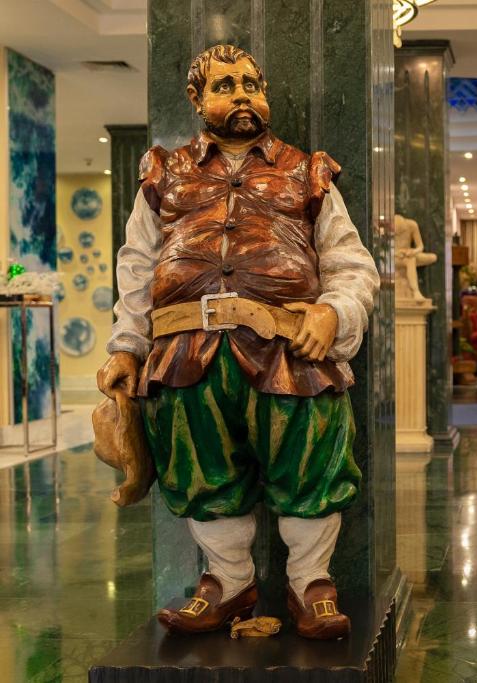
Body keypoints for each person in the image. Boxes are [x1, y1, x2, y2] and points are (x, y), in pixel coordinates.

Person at [96, 44, 380, 640]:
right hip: (184, 356)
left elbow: (351, 262)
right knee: (200, 468)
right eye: (225, 86)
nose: (244, 95)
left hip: (288, 351)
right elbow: (136, 265)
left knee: (311, 462)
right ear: (198, 100)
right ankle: (227, 581)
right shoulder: (164, 174)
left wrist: (334, 312)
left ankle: (311, 584)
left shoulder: (309, 171)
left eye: (253, 84)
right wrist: (126, 345)